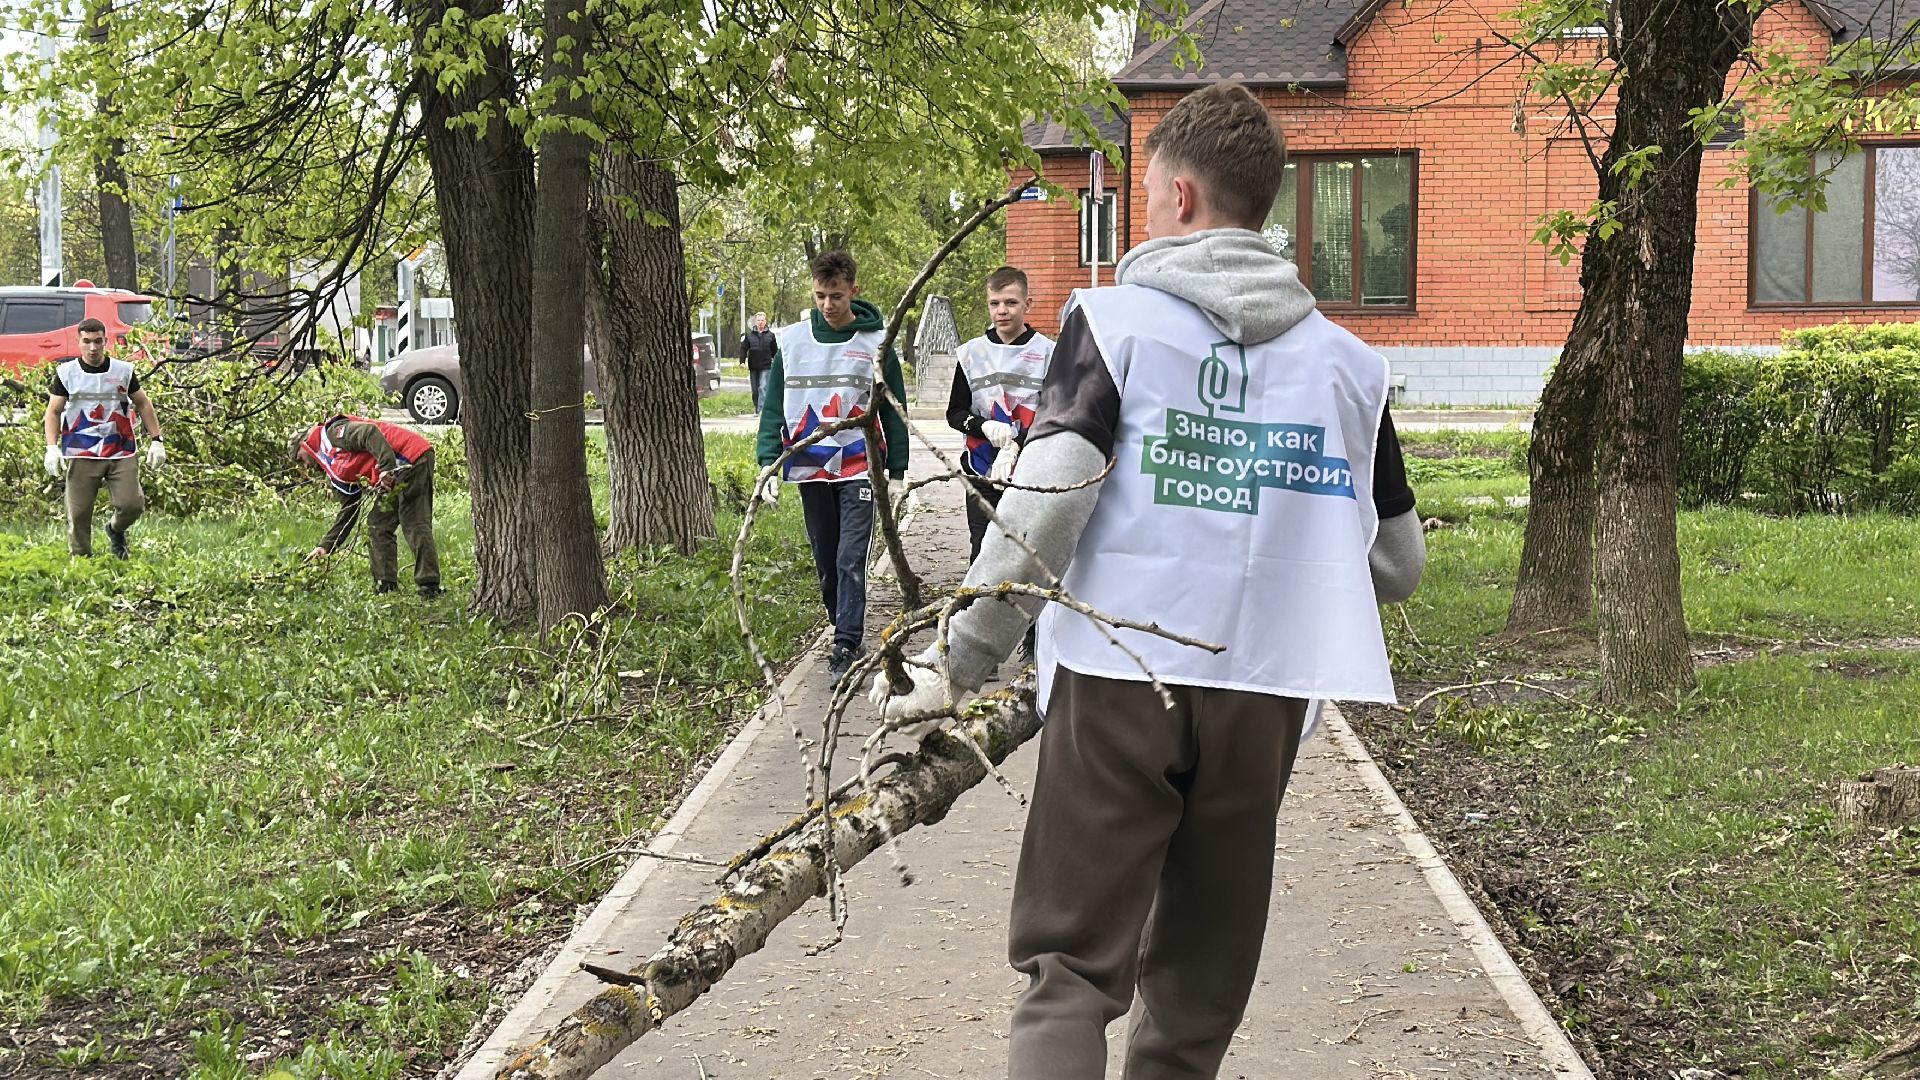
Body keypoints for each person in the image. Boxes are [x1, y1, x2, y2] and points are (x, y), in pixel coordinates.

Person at [871, 82, 1427, 1079]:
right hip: (1264, 692)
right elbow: (1397, 563)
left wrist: (957, 664)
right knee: (1193, 999)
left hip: (1120, 673)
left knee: (1070, 970)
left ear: (1175, 199)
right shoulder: (1350, 366)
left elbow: (1045, 508)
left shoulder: (1115, 325)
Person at [756, 250, 909, 684]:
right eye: (821, 295)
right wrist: (768, 461)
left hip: (860, 463)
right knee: (825, 553)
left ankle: (846, 639)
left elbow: (894, 408)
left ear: (853, 291)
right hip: (811, 463)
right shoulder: (792, 341)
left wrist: (896, 470)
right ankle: (839, 615)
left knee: (850, 555)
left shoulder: (876, 342)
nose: (828, 304)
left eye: (837, 296)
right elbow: (774, 407)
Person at [947, 266, 1054, 560]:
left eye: (1010, 302)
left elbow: (1056, 413)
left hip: (1029, 470)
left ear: (1027, 304)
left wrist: (1018, 443)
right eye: (995, 303)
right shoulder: (970, 354)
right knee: (982, 550)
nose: (1002, 311)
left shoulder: (1049, 353)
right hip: (979, 466)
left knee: (1024, 551)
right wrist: (982, 427)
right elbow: (954, 412)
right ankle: (976, 605)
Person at [42, 318, 165, 559]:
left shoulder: (123, 371)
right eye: (86, 342)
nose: (93, 348)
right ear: (79, 342)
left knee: (133, 505)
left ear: (105, 341)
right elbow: (53, 411)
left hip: (120, 449)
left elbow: (143, 403)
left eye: (98, 341)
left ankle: (115, 529)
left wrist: (157, 440)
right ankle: (82, 560)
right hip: (81, 450)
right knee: (77, 514)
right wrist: (51, 447)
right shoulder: (66, 374)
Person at [292, 414, 442, 598]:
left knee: (413, 521)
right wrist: (326, 546)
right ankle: (385, 586)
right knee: (377, 524)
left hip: (411, 457)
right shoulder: (331, 465)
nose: (304, 467)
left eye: (300, 459)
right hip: (392, 474)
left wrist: (386, 467)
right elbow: (349, 508)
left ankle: (429, 585)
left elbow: (369, 432)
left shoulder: (332, 434)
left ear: (303, 444)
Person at [741, 311, 778, 412]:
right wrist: (742, 361)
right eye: (758, 320)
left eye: (762, 320)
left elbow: (775, 351)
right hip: (753, 366)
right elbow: (744, 348)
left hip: (766, 366)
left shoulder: (771, 335)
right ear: (755, 322)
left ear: (765, 321)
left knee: (763, 387)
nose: (760, 322)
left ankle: (761, 410)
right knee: (755, 390)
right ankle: (756, 407)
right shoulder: (749, 335)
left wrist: (777, 363)